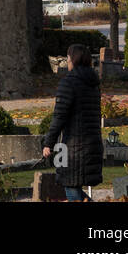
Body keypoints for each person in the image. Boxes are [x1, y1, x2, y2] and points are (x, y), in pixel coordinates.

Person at [42, 43, 104, 201]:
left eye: (68, 57)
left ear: (73, 60)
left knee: (70, 186)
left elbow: (59, 116)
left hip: (73, 146)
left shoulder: (68, 82)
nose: (67, 60)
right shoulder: (93, 83)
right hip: (92, 143)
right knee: (71, 187)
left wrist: (48, 143)